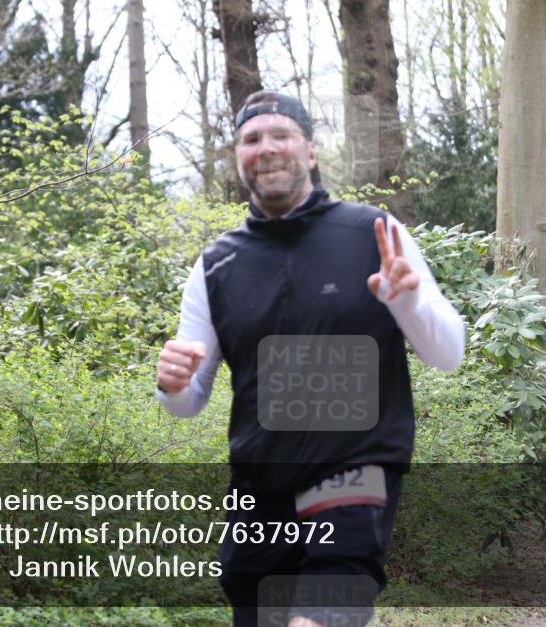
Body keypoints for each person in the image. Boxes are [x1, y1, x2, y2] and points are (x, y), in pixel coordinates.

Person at [155, 90, 465, 626]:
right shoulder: (216, 264)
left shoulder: (375, 234)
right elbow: (187, 402)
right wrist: (173, 384)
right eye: (252, 139)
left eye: (281, 135)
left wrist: (409, 301)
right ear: (238, 156)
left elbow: (448, 354)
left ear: (312, 151)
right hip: (259, 488)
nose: (267, 148)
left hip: (353, 472)